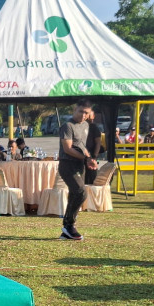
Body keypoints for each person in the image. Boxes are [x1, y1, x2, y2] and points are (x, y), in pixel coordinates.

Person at [57, 99, 97, 241]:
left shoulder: (86, 125)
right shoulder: (67, 126)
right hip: (67, 164)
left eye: (86, 113)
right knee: (81, 192)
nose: (83, 115)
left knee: (75, 194)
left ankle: (67, 230)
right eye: (81, 111)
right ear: (75, 109)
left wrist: (89, 158)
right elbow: (68, 149)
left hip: (80, 165)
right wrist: (84, 158)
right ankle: (69, 225)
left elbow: (81, 145)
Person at [84, 110, 104, 184]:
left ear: (93, 116)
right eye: (87, 115)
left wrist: (95, 156)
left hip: (91, 155)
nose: (88, 117)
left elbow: (98, 143)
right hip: (80, 156)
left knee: (92, 178)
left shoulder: (94, 127)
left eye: (90, 115)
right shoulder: (79, 127)